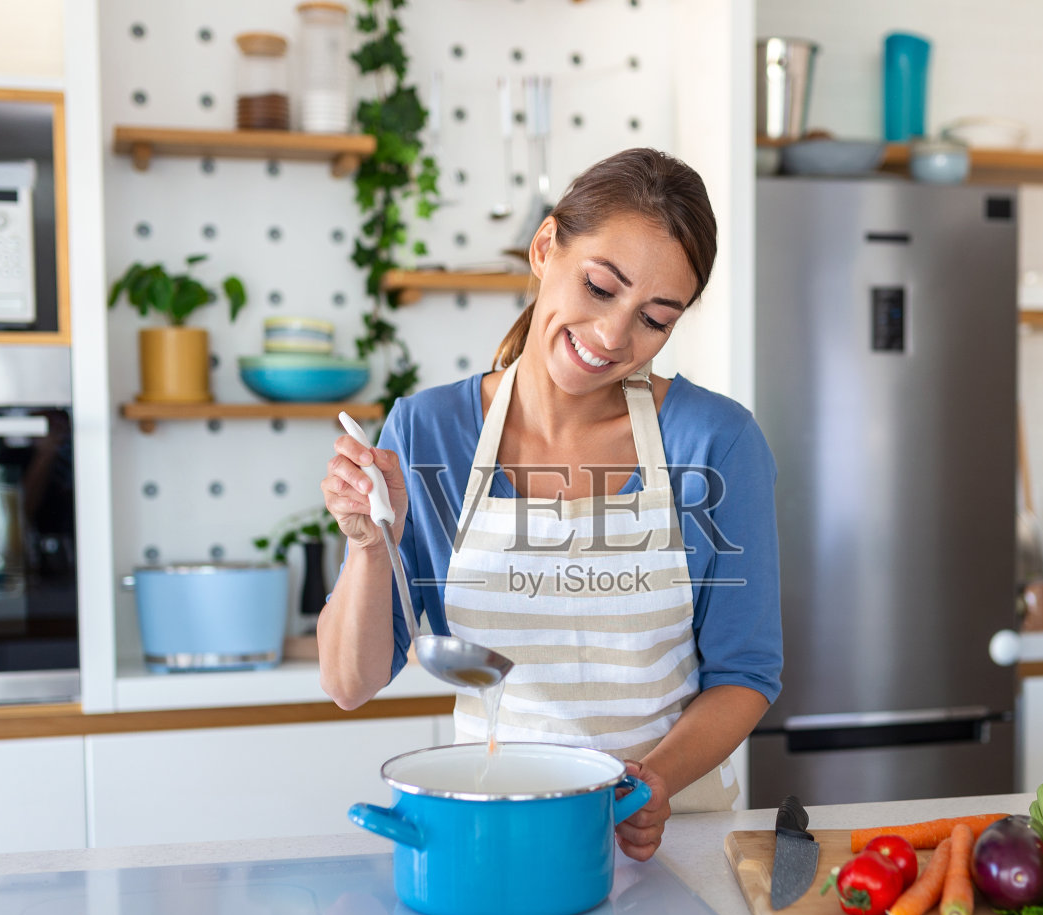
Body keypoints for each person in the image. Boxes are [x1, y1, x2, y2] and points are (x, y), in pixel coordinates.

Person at [318, 148, 780, 861]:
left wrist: (652, 782)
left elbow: (745, 675)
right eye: (600, 287)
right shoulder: (430, 430)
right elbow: (350, 682)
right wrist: (368, 545)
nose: (613, 336)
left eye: (654, 319)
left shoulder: (714, 440)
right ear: (545, 247)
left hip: (664, 838)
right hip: (494, 829)